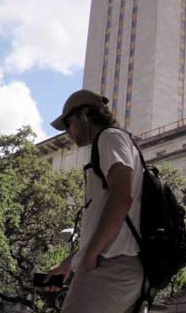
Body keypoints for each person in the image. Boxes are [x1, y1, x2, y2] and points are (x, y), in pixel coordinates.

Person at [46, 89, 144, 313]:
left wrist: (91, 255)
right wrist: (69, 263)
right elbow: (105, 218)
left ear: (86, 114)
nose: (68, 133)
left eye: (69, 123)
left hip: (111, 264)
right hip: (118, 265)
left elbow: (122, 197)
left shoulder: (109, 137)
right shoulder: (110, 142)